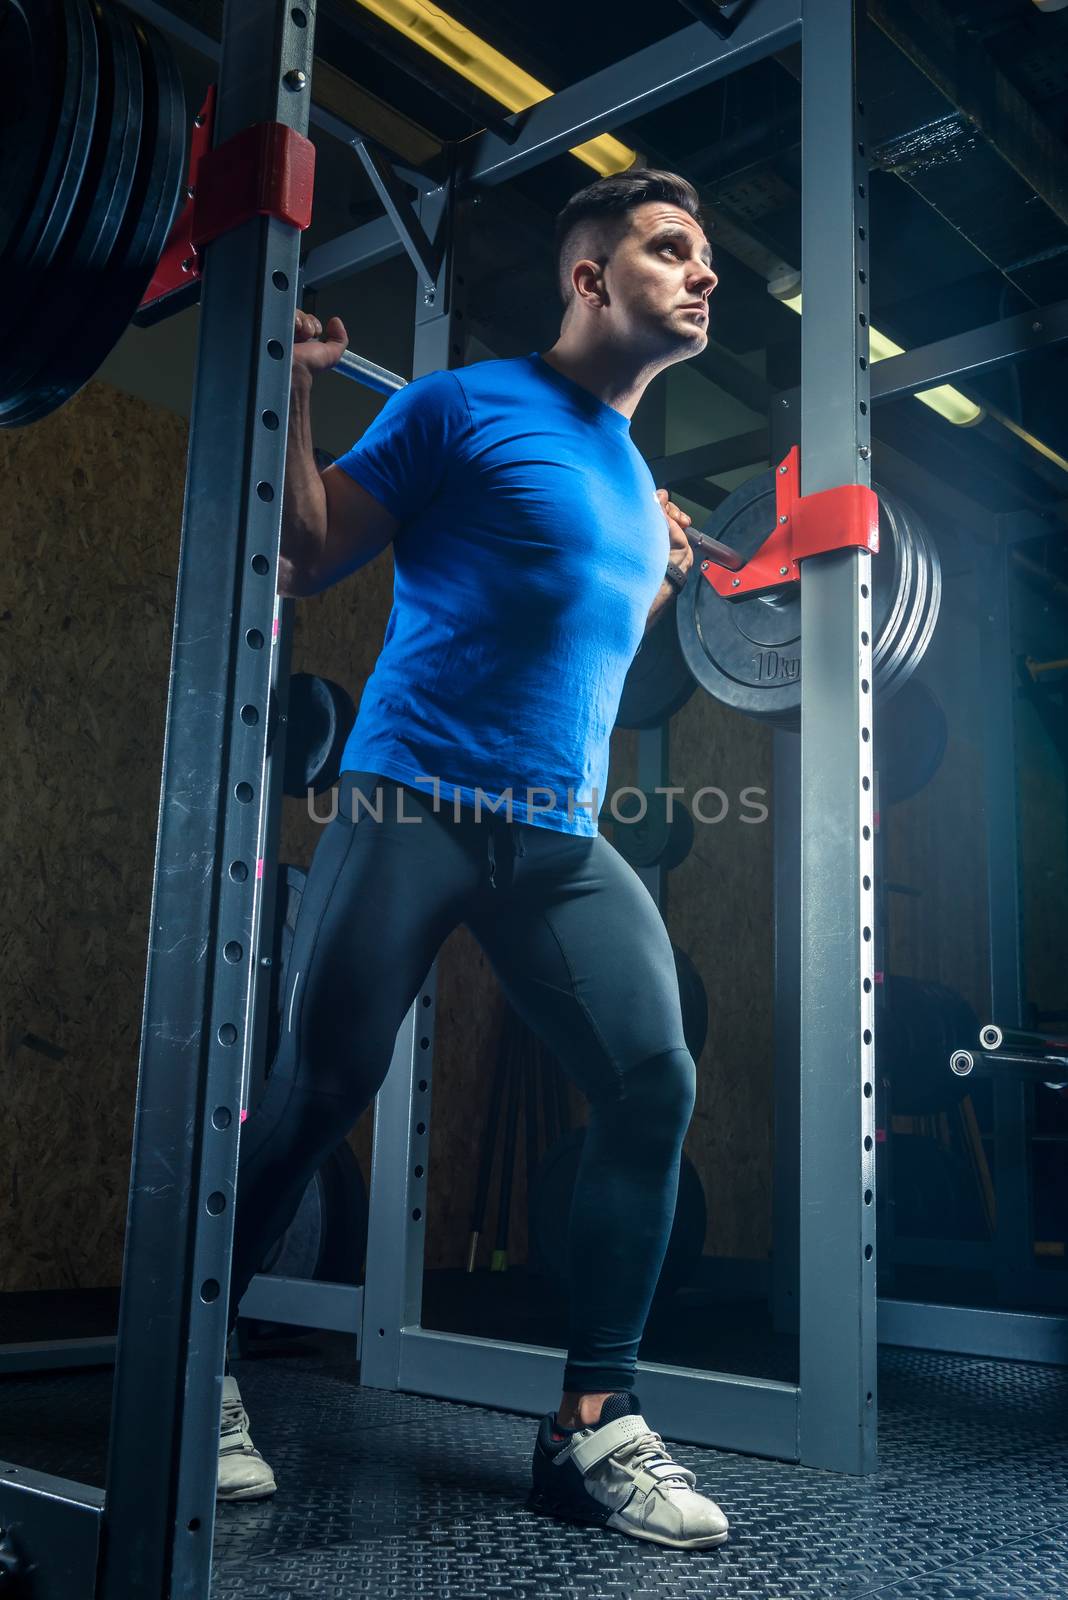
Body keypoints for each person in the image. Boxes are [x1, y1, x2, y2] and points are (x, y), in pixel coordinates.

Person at [217, 167, 729, 1552]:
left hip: (556, 838)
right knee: (322, 1086)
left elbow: (576, 607)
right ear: (587, 279)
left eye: (706, 259)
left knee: (652, 1076)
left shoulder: (636, 482)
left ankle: (591, 1427)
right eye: (670, 249)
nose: (703, 272)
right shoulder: (457, 405)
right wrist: (300, 387)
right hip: (411, 802)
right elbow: (313, 552)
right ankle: (198, 1364)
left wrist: (663, 560)